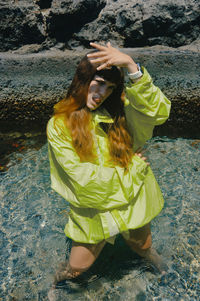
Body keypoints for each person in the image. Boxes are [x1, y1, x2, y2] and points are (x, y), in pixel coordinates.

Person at [47, 42, 171, 284]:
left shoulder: (119, 114)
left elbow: (158, 112)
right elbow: (81, 180)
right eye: (99, 82)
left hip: (132, 200)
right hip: (95, 209)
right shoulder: (59, 125)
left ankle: (162, 267)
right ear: (83, 79)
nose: (103, 93)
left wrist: (132, 67)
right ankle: (51, 287)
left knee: (144, 247)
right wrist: (132, 169)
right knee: (77, 267)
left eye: (111, 87)